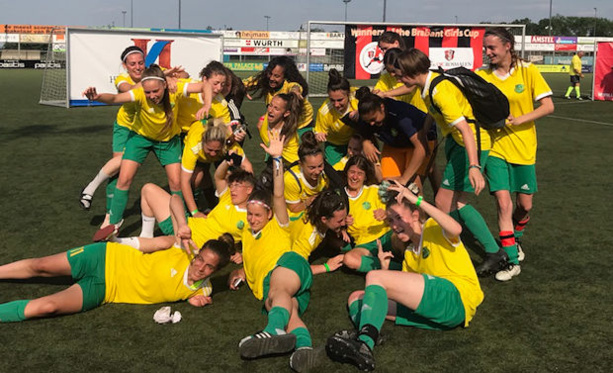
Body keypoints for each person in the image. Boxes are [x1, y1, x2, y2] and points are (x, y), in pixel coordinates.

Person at [326, 182, 484, 371]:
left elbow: (456, 229)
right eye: (391, 221)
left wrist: (415, 199)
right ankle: (369, 332)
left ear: (415, 215)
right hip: (438, 313)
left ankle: (364, 343)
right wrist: (385, 269)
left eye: (399, 218)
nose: (394, 225)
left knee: (374, 277)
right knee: (356, 298)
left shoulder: (434, 228)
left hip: (456, 298)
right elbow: (404, 293)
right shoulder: (409, 254)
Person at [393, 48, 504, 269]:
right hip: (457, 143)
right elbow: (434, 114)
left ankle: (491, 252)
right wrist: (424, 131)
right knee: (450, 201)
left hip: (469, 144)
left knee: (448, 202)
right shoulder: (429, 84)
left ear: (409, 73)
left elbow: (465, 129)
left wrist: (474, 166)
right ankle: (468, 246)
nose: (395, 76)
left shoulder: (438, 90)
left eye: (397, 72)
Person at [83, 65, 209, 241]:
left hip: (168, 142)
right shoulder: (140, 93)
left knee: (175, 184)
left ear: (165, 85)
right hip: (141, 139)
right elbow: (115, 98)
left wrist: (208, 105)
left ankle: (182, 224)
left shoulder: (176, 88)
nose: (152, 96)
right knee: (124, 179)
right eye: (148, 92)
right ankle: (114, 225)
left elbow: (206, 86)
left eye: (155, 91)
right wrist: (97, 97)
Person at [227, 131, 317, 372]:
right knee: (288, 310)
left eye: (258, 215)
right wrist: (243, 270)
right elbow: (254, 258)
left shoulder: (279, 224)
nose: (253, 219)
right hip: (273, 286)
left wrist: (277, 159)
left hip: (289, 266)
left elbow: (278, 194)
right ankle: (304, 349)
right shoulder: (246, 233)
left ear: (269, 214)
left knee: (277, 293)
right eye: (250, 215)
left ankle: (270, 331)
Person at [0, 234, 233, 322]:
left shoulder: (203, 289)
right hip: (105, 256)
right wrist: (181, 226)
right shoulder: (179, 249)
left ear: (215, 271)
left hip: (106, 290)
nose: (199, 267)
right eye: (200, 259)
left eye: (208, 266)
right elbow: (151, 239)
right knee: (40, 266)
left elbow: (196, 295)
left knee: (48, 307)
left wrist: (194, 300)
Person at [476, 27, 554, 281]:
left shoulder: (528, 71)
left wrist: (519, 120)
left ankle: (515, 239)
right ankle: (509, 261)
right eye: (485, 48)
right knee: (503, 203)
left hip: (523, 148)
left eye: (492, 48)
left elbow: (548, 106)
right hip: (495, 148)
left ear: (508, 46)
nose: (487, 52)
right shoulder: (482, 75)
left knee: (524, 205)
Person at [114, 158, 254, 258]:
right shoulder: (227, 199)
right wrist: (227, 161)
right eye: (232, 185)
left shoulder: (251, 216)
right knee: (148, 189)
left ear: (249, 190)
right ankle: (146, 235)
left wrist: (239, 254)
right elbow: (219, 176)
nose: (232, 189)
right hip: (184, 224)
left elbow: (252, 242)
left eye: (237, 186)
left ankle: (116, 243)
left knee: (164, 242)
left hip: (194, 243)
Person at [79, 46, 146, 215]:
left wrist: (174, 75)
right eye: (132, 64)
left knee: (121, 169)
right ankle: (109, 211)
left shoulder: (151, 73)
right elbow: (129, 90)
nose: (138, 67)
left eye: (140, 63)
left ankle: (92, 193)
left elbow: (184, 76)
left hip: (143, 129)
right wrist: (159, 78)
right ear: (125, 66)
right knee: (121, 167)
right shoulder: (122, 78)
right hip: (124, 127)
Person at [352, 87, 432, 191]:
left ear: (382, 107)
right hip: (394, 144)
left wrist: (404, 179)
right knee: (388, 185)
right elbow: (363, 129)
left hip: (420, 142)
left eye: (374, 119)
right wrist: (365, 142)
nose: (371, 124)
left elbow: (421, 148)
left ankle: (418, 206)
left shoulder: (401, 116)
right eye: (368, 121)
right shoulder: (366, 114)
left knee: (412, 187)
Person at [180, 120, 252, 215]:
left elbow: (248, 167)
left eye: (216, 150)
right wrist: (195, 212)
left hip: (219, 154)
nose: (213, 154)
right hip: (199, 156)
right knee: (198, 177)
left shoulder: (228, 142)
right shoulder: (194, 146)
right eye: (210, 149)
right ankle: (196, 205)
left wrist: (249, 196)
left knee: (230, 176)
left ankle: (222, 205)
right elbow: (185, 181)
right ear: (203, 142)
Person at [341, 155, 395, 273]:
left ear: (365, 177)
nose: (355, 177)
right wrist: (343, 224)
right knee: (349, 259)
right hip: (364, 243)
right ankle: (398, 268)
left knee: (409, 236)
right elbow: (331, 222)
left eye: (360, 173)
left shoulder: (374, 191)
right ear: (346, 173)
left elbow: (398, 211)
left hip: (387, 236)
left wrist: (387, 213)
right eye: (352, 172)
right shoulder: (340, 196)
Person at [245, 56, 314, 136]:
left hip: (303, 123)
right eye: (270, 74)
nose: (271, 78)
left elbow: (295, 86)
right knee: (261, 124)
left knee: (297, 147)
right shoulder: (265, 80)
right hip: (287, 122)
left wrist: (295, 91)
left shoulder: (288, 85)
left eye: (276, 76)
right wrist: (242, 88)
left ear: (285, 76)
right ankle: (272, 147)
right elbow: (246, 83)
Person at [314, 69, 357, 165]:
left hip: (356, 141)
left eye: (340, 100)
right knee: (334, 173)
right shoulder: (324, 111)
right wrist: (318, 136)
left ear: (348, 94)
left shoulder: (357, 100)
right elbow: (318, 132)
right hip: (334, 146)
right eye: (332, 100)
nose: (336, 104)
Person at [284, 131, 329, 220]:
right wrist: (309, 202)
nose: (317, 171)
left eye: (320, 166)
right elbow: (293, 209)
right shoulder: (291, 179)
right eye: (312, 168)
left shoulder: (325, 174)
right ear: (301, 164)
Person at [258, 93, 302, 165]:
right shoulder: (270, 116)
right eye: (270, 105)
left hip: (290, 165)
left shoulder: (289, 139)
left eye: (276, 108)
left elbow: (296, 161)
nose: (270, 110)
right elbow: (262, 121)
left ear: (286, 113)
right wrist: (261, 119)